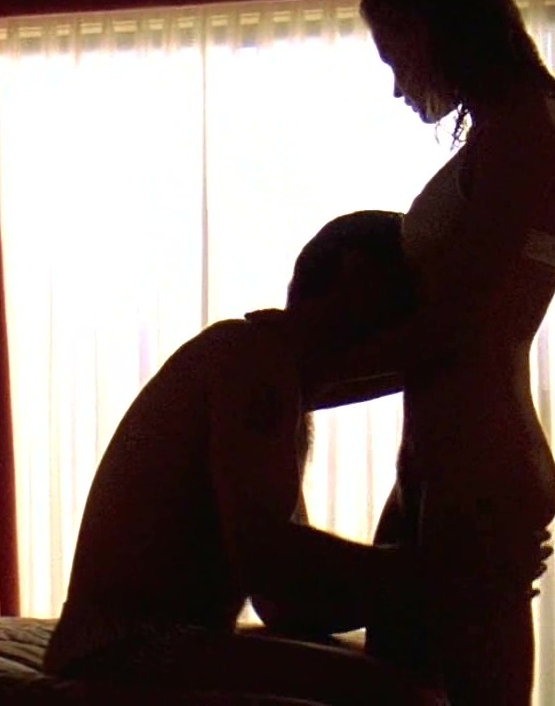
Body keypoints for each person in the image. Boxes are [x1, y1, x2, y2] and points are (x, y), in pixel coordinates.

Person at [320, 0, 555, 706]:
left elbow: (456, 331)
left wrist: (293, 375)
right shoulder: (511, 127)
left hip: (481, 468)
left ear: (433, 27)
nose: (397, 83)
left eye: (393, 54)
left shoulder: (528, 133)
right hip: (448, 464)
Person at [42, 211, 447, 705]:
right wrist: (429, 576)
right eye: (406, 292)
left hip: (138, 640)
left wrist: (397, 589)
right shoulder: (252, 362)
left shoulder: (269, 371)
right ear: (357, 274)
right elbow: (264, 557)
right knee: (411, 700)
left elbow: (280, 601)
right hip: (124, 647)